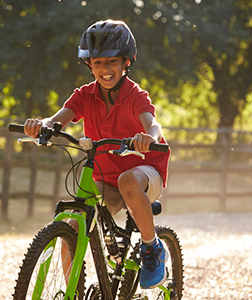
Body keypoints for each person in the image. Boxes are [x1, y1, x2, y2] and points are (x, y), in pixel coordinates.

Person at [22, 19, 171, 289]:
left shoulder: (136, 95)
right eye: (98, 62)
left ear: (127, 62)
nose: (105, 69)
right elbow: (56, 120)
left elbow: (153, 124)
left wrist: (149, 137)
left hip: (145, 171)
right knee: (73, 225)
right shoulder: (84, 96)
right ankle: (73, 291)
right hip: (104, 174)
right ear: (89, 64)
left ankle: (152, 248)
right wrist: (40, 126)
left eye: (112, 61)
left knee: (128, 180)